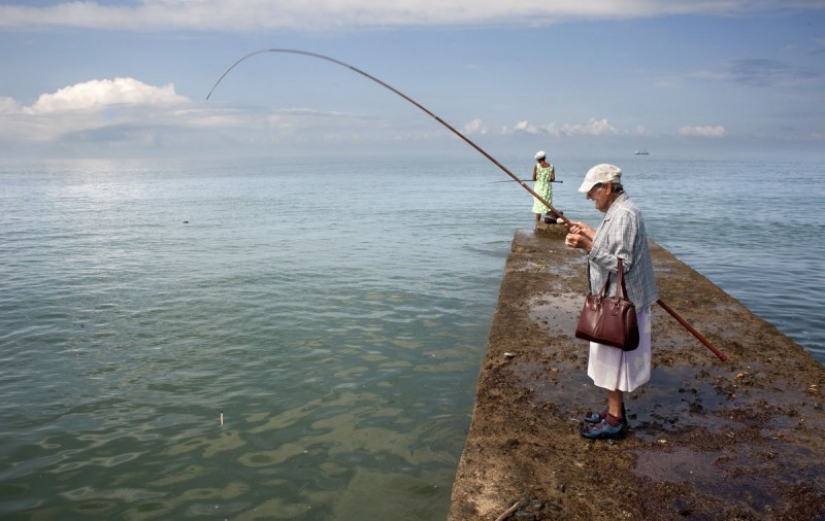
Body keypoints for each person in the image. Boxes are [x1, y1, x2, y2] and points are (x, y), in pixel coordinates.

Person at [564, 164, 658, 440]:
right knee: (609, 359)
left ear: (606, 187)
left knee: (611, 361)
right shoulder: (615, 212)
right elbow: (615, 246)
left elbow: (622, 264)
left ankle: (615, 420)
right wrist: (592, 233)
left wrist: (587, 247)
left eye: (592, 191)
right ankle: (614, 411)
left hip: (621, 304)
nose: (588, 197)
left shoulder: (625, 215)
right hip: (617, 300)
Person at [531, 151, 555, 225]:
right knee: (548, 204)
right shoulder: (551, 166)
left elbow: (533, 178)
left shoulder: (537, 166)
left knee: (538, 206)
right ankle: (548, 221)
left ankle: (537, 223)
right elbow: (553, 179)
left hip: (538, 188)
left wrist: (540, 178)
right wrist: (547, 179)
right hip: (547, 188)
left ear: (539, 159)